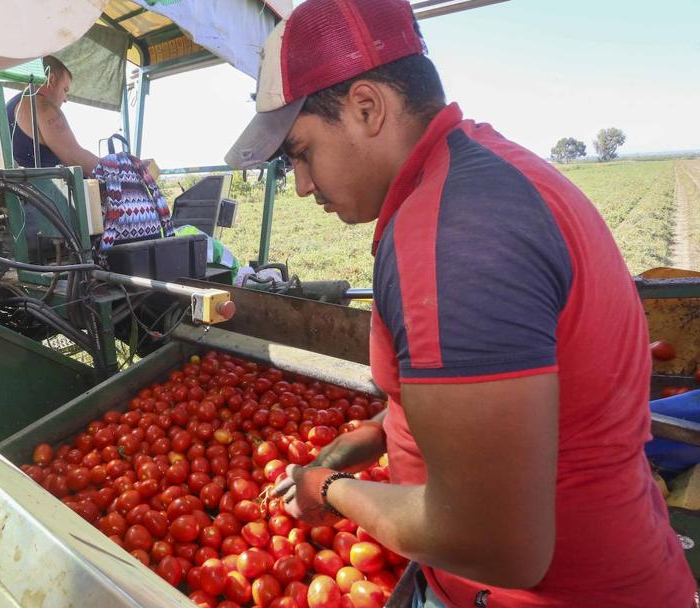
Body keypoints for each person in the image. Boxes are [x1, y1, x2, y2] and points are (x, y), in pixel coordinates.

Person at [226, 0, 696, 606]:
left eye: (300, 152)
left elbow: (496, 542)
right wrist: (376, 435)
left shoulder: (450, 236)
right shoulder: (490, 172)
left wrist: (332, 489)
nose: (303, 184)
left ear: (367, 108)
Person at [5, 56, 99, 173]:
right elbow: (76, 158)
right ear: (51, 80)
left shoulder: (11, 105)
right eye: (65, 89)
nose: (65, 99)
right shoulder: (42, 105)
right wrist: (116, 168)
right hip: (40, 189)